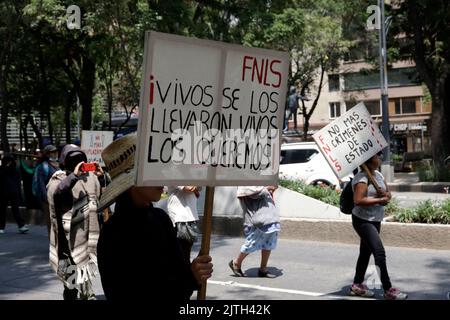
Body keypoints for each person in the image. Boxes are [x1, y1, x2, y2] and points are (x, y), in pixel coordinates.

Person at [96, 133, 213, 301]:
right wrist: (190, 278)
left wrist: (193, 273)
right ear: (132, 182)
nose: (161, 176)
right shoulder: (114, 234)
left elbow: (179, 281)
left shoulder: (161, 218)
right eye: (153, 170)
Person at [47, 144, 103, 300]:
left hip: (84, 236)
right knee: (70, 284)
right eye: (72, 159)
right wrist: (74, 176)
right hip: (66, 241)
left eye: (80, 158)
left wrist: (101, 177)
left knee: (85, 277)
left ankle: (88, 295)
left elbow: (99, 197)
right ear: (64, 161)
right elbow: (57, 193)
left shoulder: (88, 178)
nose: (77, 162)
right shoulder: (58, 178)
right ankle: (70, 294)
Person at [349, 152, 408, 300]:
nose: (380, 158)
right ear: (370, 161)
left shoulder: (378, 176)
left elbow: (388, 194)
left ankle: (356, 285)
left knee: (365, 253)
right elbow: (358, 200)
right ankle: (388, 289)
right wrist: (379, 199)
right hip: (363, 220)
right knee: (379, 252)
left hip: (375, 219)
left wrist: (385, 195)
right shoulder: (362, 178)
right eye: (377, 156)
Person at [229, 185, 280, 278]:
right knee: (252, 243)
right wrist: (267, 188)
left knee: (269, 244)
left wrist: (270, 188)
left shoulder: (260, 180)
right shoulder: (244, 183)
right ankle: (236, 262)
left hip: (270, 216)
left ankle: (263, 268)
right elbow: (251, 192)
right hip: (258, 219)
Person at [167, 186, 202, 263]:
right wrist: (195, 189)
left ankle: (185, 269)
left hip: (191, 216)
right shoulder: (177, 174)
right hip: (180, 218)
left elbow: (198, 190)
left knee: (187, 249)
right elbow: (190, 188)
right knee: (182, 250)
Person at [32, 144, 59, 236]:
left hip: (59, 198)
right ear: (47, 154)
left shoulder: (58, 164)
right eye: (53, 152)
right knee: (50, 222)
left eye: (56, 151)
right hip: (48, 199)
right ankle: (53, 244)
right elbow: (41, 184)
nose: (55, 154)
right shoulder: (43, 167)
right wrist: (46, 199)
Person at [0, 154, 28, 234]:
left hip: (13, 193)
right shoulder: (1, 170)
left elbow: (18, 183)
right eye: (7, 161)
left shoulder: (15, 170)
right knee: (2, 210)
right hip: (2, 193)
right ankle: (1, 227)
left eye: (10, 161)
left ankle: (21, 226)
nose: (9, 163)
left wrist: (19, 193)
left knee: (16, 210)